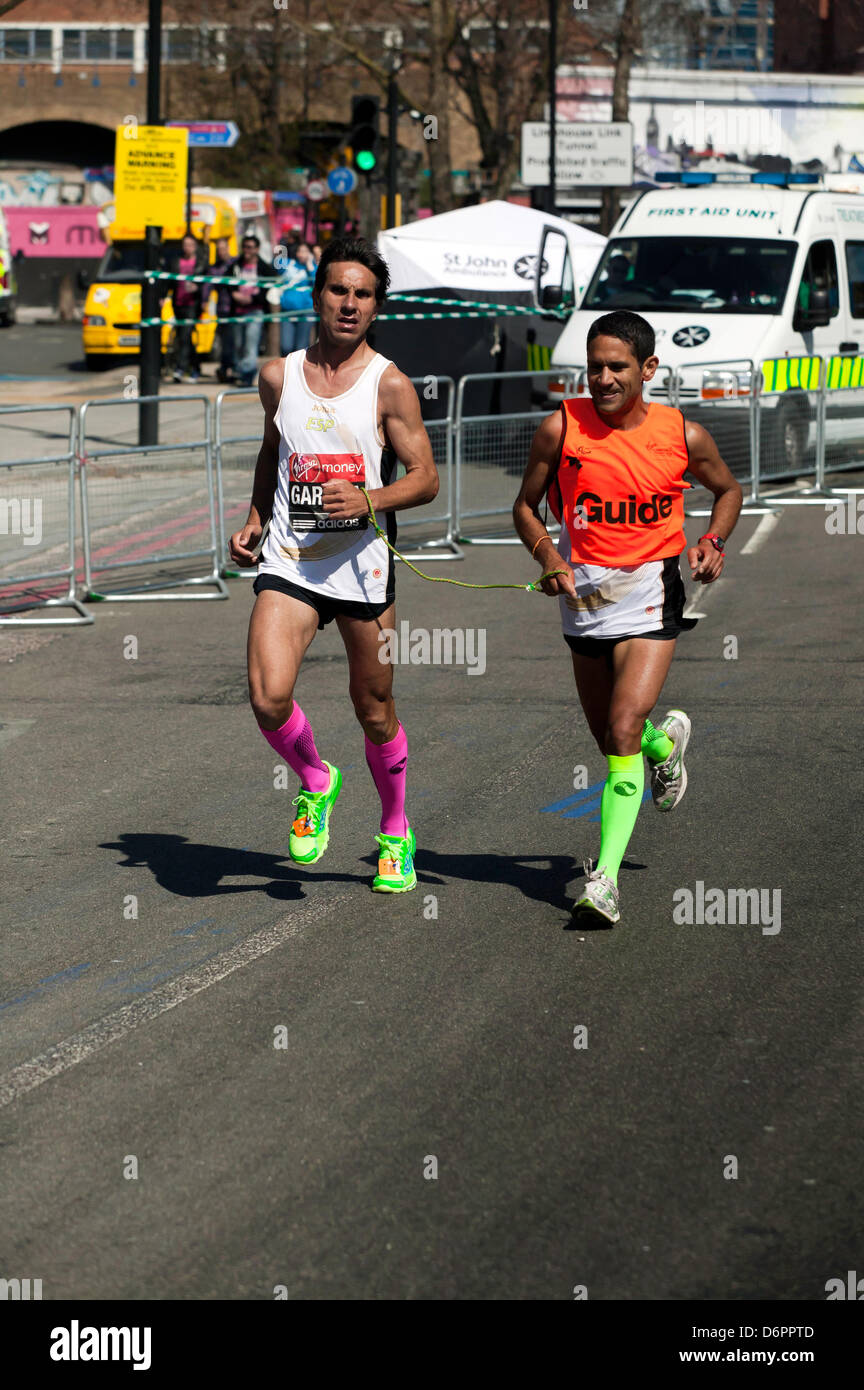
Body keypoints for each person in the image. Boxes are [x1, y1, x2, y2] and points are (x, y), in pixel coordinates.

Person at [513, 309, 743, 926]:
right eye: (595, 367)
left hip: (651, 592)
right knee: (613, 737)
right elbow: (525, 508)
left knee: (619, 730)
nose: (604, 379)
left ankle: (604, 881)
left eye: (618, 367)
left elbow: (728, 491)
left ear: (648, 369)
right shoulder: (559, 428)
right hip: (582, 598)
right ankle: (664, 744)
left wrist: (713, 543)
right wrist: (549, 557)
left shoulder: (682, 435)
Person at [228, 236, 439, 892]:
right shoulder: (278, 376)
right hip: (292, 562)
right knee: (267, 697)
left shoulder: (390, 385)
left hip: (362, 568)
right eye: (338, 291)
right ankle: (317, 778)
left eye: (363, 295)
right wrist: (258, 515)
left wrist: (370, 497)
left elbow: (426, 477)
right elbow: (272, 450)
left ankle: (395, 830)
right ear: (317, 296)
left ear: (377, 307)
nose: (350, 304)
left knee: (374, 709)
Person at [230, 234, 275, 387]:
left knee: (250, 342)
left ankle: (247, 375)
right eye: (244, 247)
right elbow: (225, 282)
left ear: (257, 249)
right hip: (237, 311)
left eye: (250, 247)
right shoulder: (236, 265)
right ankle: (240, 370)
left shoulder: (264, 267)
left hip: (256, 311)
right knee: (238, 344)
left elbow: (270, 285)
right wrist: (234, 293)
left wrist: (253, 299)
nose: (246, 250)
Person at [164, 233, 208, 382]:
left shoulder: (200, 262)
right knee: (185, 337)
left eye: (190, 245)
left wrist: (198, 289)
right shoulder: (176, 261)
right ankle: (195, 368)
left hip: (192, 305)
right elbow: (169, 281)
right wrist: (163, 297)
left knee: (184, 336)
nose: (187, 248)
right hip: (178, 303)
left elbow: (207, 283)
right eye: (185, 245)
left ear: (195, 247)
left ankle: (180, 369)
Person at [278, 242, 315, 356]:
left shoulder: (314, 267)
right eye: (300, 251)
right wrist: (282, 246)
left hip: (306, 311)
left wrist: (310, 264)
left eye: (305, 251)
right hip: (287, 311)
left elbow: (317, 283)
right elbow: (276, 265)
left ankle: (298, 372)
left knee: (301, 348)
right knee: (286, 346)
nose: (302, 254)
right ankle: (286, 371)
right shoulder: (289, 263)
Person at [211, 235, 237, 383]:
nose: (221, 252)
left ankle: (232, 368)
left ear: (228, 248)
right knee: (225, 342)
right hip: (222, 309)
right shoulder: (215, 268)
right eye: (218, 249)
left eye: (223, 248)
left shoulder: (236, 263)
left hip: (236, 309)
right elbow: (208, 286)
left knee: (235, 342)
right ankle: (225, 368)